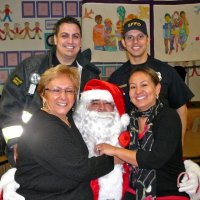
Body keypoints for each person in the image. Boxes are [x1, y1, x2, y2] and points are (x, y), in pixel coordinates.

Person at [0, 78, 199, 200]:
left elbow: (161, 156)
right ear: (84, 109)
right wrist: (10, 182)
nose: (102, 108)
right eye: (95, 103)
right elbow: (37, 164)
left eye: (108, 104)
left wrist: (193, 172)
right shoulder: (71, 133)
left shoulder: (127, 135)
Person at [0, 16, 100, 166]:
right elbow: (9, 108)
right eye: (64, 36)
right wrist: (15, 142)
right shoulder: (30, 68)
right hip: (32, 149)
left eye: (75, 36)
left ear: (80, 41)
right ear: (55, 39)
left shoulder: (91, 75)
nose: (70, 41)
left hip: (76, 153)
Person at [10, 65, 115, 200]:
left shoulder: (65, 118)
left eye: (69, 90)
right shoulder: (45, 128)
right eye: (56, 90)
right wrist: (113, 159)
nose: (63, 97)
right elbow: (80, 170)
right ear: (43, 94)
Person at [97, 67, 193, 199]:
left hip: (167, 191)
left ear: (157, 89)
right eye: (133, 87)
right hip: (135, 189)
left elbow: (155, 159)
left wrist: (114, 150)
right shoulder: (129, 119)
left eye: (144, 85)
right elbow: (124, 157)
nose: (138, 91)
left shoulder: (168, 116)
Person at [108, 18, 194, 144]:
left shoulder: (167, 71)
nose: (135, 41)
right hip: (130, 149)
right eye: (130, 37)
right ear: (123, 43)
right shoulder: (116, 78)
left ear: (148, 40)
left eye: (140, 36)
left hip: (164, 145)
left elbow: (181, 109)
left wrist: (179, 144)